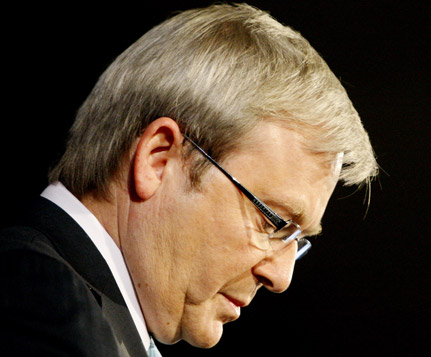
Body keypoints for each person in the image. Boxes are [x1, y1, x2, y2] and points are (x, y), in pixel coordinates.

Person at [0, 3, 377, 356]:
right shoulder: (41, 303)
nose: (280, 277)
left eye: (298, 240)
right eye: (272, 222)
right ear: (158, 159)